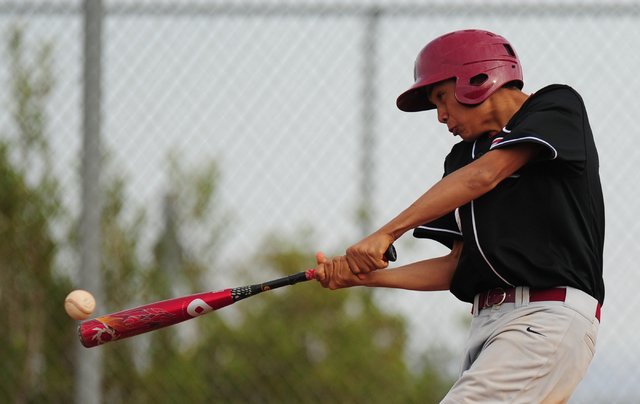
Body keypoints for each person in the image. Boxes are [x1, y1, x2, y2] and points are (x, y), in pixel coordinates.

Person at [314, 29, 604, 403]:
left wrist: (387, 233)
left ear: (477, 77)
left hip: (544, 316)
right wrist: (364, 278)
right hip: (490, 326)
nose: (440, 116)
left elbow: (486, 175)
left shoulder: (556, 107)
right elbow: (456, 265)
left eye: (440, 97)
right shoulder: (461, 158)